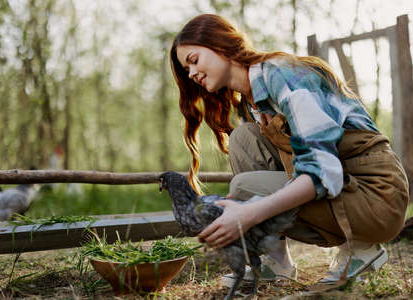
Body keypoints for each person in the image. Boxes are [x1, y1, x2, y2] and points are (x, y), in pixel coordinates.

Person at [169, 13, 409, 286]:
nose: (192, 73)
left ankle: (361, 248)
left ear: (221, 45)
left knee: (246, 186)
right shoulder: (250, 103)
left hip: (376, 196)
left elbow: (321, 172)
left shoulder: (282, 75)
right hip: (347, 188)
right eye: (186, 69)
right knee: (242, 139)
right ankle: (277, 262)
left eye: (193, 60)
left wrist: (248, 213)